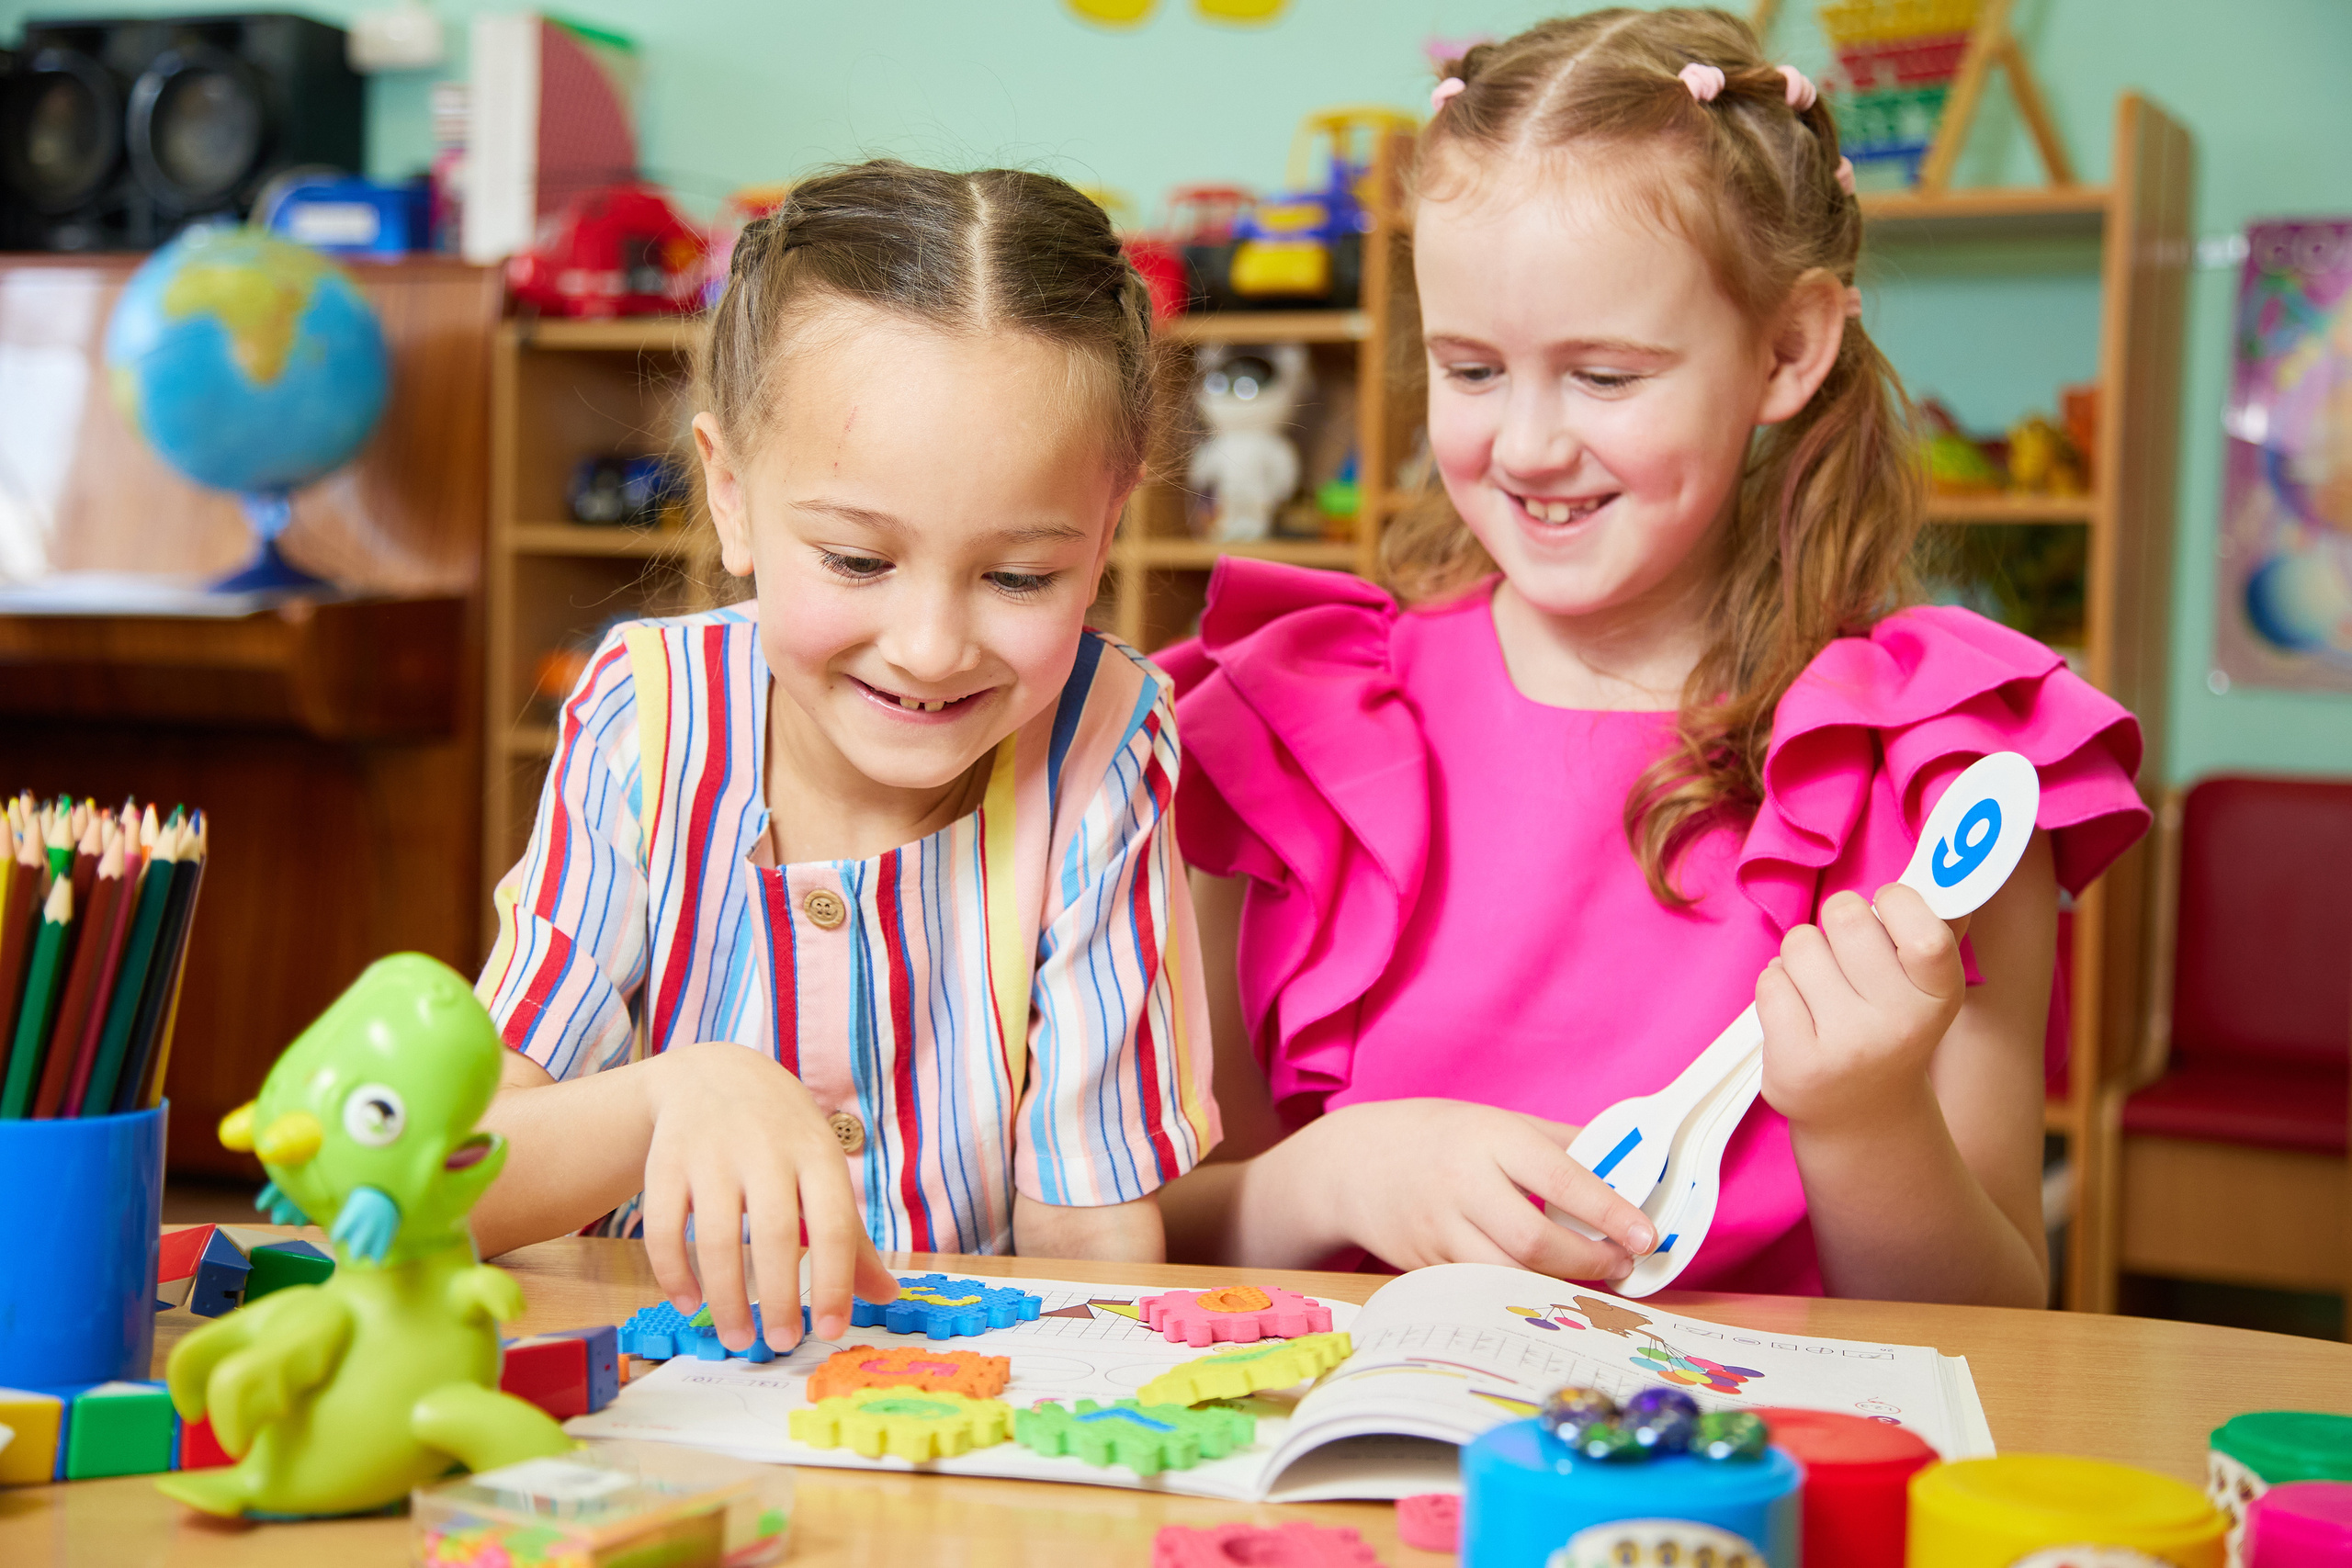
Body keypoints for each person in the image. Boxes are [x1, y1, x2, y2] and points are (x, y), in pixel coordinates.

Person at [1158, 9, 2148, 1306]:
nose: (1523, 446)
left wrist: (1864, 1118)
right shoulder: (1286, 726)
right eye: (1470, 368)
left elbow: (2000, 1322)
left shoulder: (1940, 768)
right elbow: (1156, 1237)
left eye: (1604, 377)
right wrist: (1335, 1174)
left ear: (1789, 349)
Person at [472, 160, 1218, 1352]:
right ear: (730, 495)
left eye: (1021, 576)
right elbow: (458, 1182)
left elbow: (1090, 1241)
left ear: (1108, 527)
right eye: (860, 562)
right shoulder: (644, 715)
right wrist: (675, 1094)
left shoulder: (1106, 742)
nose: (929, 649)